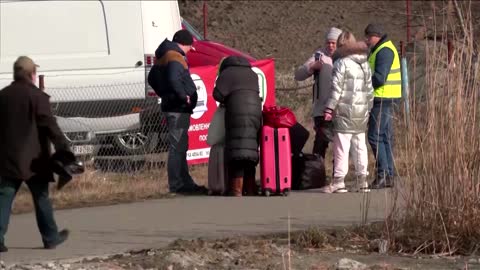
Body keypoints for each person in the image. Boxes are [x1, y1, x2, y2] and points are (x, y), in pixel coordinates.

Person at [0, 56, 71, 252]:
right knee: (41, 198)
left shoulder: (3, 96)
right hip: (35, 160)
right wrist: (64, 150)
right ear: (32, 75)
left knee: (4, 197)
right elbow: (50, 126)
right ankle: (51, 237)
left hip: (7, 158)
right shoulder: (38, 97)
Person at [148, 29, 207, 194]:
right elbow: (174, 78)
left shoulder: (165, 55)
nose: (190, 50)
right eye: (190, 46)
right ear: (185, 44)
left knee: (180, 146)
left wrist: (165, 93)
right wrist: (183, 97)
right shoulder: (175, 56)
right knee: (177, 147)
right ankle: (177, 184)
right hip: (177, 108)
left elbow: (151, 78)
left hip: (173, 106)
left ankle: (184, 181)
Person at [320, 32, 374, 193]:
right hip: (361, 111)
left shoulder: (341, 63)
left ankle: (339, 181)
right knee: (360, 146)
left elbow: (336, 89)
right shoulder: (364, 63)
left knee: (342, 146)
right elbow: (369, 90)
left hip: (344, 111)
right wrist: (368, 108)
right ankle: (362, 180)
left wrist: (329, 108)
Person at [213, 56, 262, 197]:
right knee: (250, 148)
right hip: (255, 112)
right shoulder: (252, 74)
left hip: (236, 111)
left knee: (237, 149)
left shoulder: (227, 73)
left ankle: (236, 189)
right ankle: (250, 188)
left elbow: (217, 94)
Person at [294, 27, 342, 159]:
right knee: (321, 142)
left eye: (334, 42)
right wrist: (311, 67)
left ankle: (337, 175)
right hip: (321, 109)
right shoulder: (319, 56)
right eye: (328, 42)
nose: (331, 45)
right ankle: (317, 172)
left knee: (340, 144)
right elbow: (298, 75)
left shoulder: (345, 57)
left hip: (340, 108)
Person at [364, 23, 402, 189]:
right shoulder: (383, 49)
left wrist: (363, 83)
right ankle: (388, 174)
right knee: (385, 137)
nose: (366, 40)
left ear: (375, 35)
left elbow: (380, 78)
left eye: (368, 37)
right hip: (385, 98)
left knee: (375, 136)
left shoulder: (384, 51)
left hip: (383, 99)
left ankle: (383, 174)